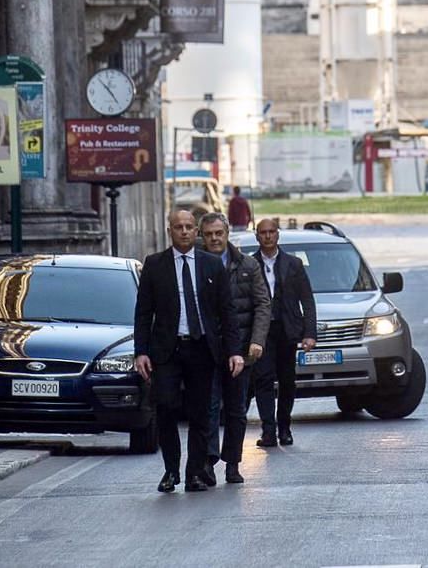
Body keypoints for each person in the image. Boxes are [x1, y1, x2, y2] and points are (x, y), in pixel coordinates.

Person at [134, 208, 242, 493]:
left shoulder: (211, 265)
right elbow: (143, 313)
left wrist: (234, 351)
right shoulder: (155, 265)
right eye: (178, 227)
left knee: (201, 413)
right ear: (169, 230)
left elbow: (227, 312)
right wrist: (141, 352)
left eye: (189, 227)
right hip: (167, 350)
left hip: (202, 348)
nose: (184, 231)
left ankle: (194, 471)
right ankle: (171, 469)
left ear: (196, 231)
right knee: (166, 407)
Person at [199, 212, 269, 485]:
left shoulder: (248, 265)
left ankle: (233, 463)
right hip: (207, 351)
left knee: (236, 411)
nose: (215, 239)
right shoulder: (197, 265)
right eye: (209, 234)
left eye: (219, 233)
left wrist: (257, 340)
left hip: (241, 350)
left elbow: (263, 304)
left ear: (227, 234)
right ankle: (209, 461)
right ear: (201, 237)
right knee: (209, 408)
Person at [252, 217, 316, 447]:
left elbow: (307, 299)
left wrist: (310, 333)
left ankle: (284, 427)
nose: (267, 236)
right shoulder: (250, 264)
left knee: (287, 381)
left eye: (271, 232)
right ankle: (268, 430)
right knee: (263, 379)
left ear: (278, 234)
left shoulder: (293, 264)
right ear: (256, 235)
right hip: (261, 332)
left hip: (287, 329)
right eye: (263, 232)